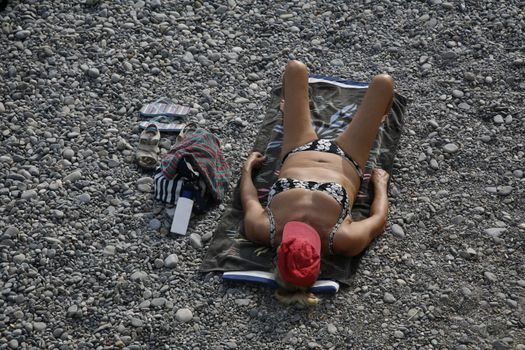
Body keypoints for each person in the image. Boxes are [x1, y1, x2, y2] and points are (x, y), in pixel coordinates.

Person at [240, 60, 393, 305]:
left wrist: (247, 169)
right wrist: (381, 186)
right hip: (347, 158)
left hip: (297, 150)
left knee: (295, 68)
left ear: (278, 252)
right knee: (383, 82)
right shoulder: (342, 239)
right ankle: (380, 118)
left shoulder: (264, 229)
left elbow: (248, 198)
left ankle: (286, 110)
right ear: (319, 260)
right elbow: (378, 220)